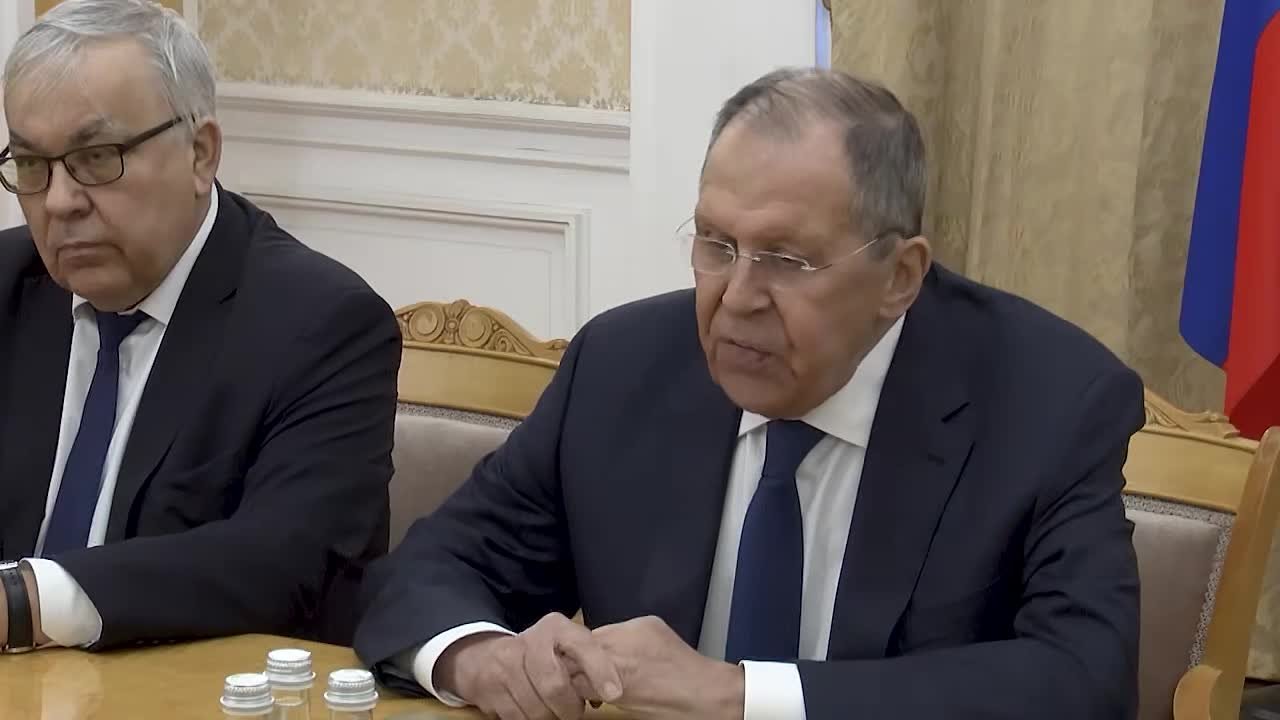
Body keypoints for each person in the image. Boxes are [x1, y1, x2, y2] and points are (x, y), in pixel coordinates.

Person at [354, 68, 1144, 720]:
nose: (735, 298)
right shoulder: (624, 366)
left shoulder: (1049, 403)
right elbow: (431, 568)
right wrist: (482, 657)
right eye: (716, 244)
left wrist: (738, 696)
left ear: (899, 277)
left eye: (786, 260)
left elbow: (1083, 680)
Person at [0, 0, 401, 652]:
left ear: (200, 153)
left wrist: (26, 602)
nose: (60, 201)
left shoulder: (321, 325)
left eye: (97, 157)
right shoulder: (8, 286)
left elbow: (284, 563)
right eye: (31, 165)